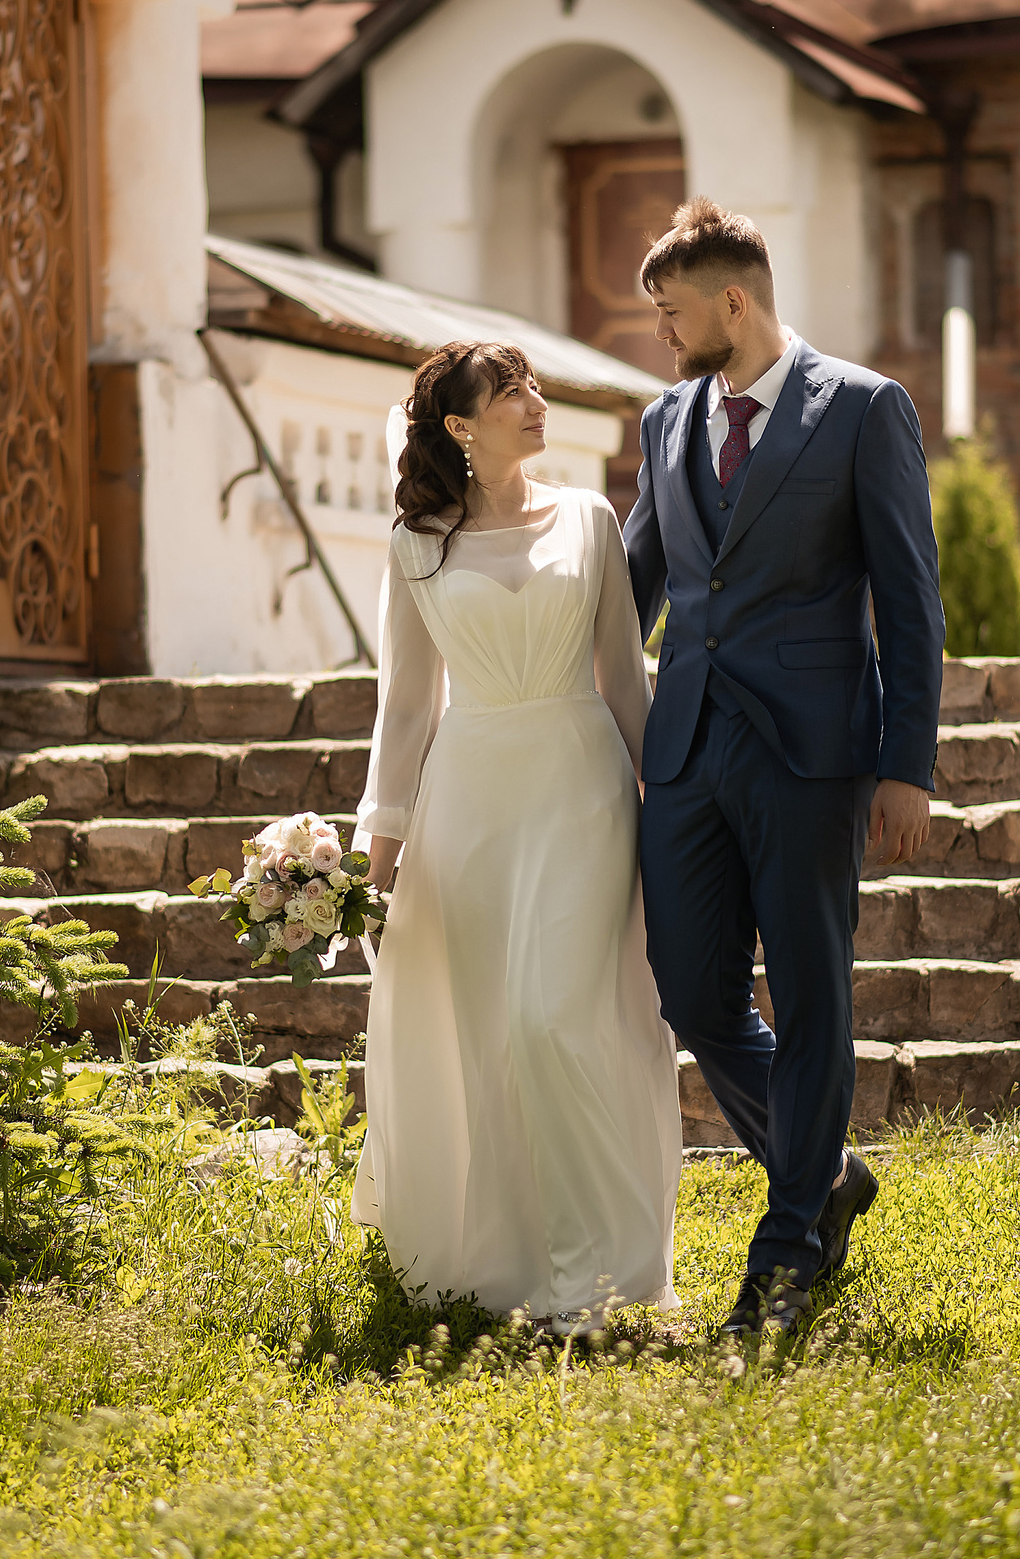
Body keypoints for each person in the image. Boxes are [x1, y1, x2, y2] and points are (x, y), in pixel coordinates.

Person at [621, 198, 946, 1339]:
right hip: (689, 750)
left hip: (814, 757)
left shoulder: (862, 410)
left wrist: (905, 763)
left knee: (809, 996)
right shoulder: (666, 422)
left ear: (733, 301)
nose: (662, 336)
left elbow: (909, 599)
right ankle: (832, 1171)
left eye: (670, 313)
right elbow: (631, 589)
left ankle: (789, 1248)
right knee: (692, 990)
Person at [352, 340, 682, 1334]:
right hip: (469, 806)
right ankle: (504, 1258)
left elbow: (626, 678)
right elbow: (405, 709)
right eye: (510, 393)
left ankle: (596, 1277)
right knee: (487, 1032)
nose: (535, 403)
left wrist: (668, 809)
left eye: (533, 386)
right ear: (459, 426)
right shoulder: (416, 544)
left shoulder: (588, 519)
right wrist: (378, 855)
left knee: (553, 1020)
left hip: (581, 789)